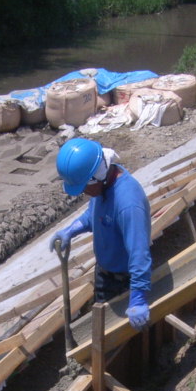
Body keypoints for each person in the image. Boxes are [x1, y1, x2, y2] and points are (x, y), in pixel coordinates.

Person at [50, 138, 152, 330]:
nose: (84, 192)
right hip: (105, 274)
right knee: (101, 329)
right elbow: (94, 214)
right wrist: (72, 229)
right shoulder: (103, 185)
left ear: (96, 177)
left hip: (126, 281)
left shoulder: (128, 204)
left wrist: (138, 298)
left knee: (123, 334)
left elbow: (139, 254)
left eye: (84, 187)